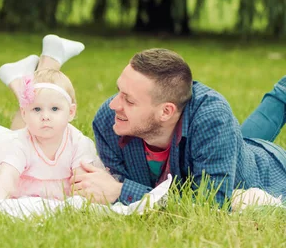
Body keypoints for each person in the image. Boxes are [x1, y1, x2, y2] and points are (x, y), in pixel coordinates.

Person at [71, 48, 286, 206]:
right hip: (227, 146)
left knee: (258, 128)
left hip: (264, 171)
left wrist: (120, 191)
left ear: (166, 111)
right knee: (248, 133)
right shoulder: (109, 121)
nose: (114, 105)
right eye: (119, 91)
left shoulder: (213, 118)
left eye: (129, 100)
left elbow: (210, 204)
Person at [0, 69, 103, 199]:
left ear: (71, 112)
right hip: (25, 189)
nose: (45, 116)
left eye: (54, 109)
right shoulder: (21, 142)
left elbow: (82, 182)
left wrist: (77, 201)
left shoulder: (77, 143)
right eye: (37, 109)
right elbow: (7, 177)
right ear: (24, 113)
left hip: (64, 189)